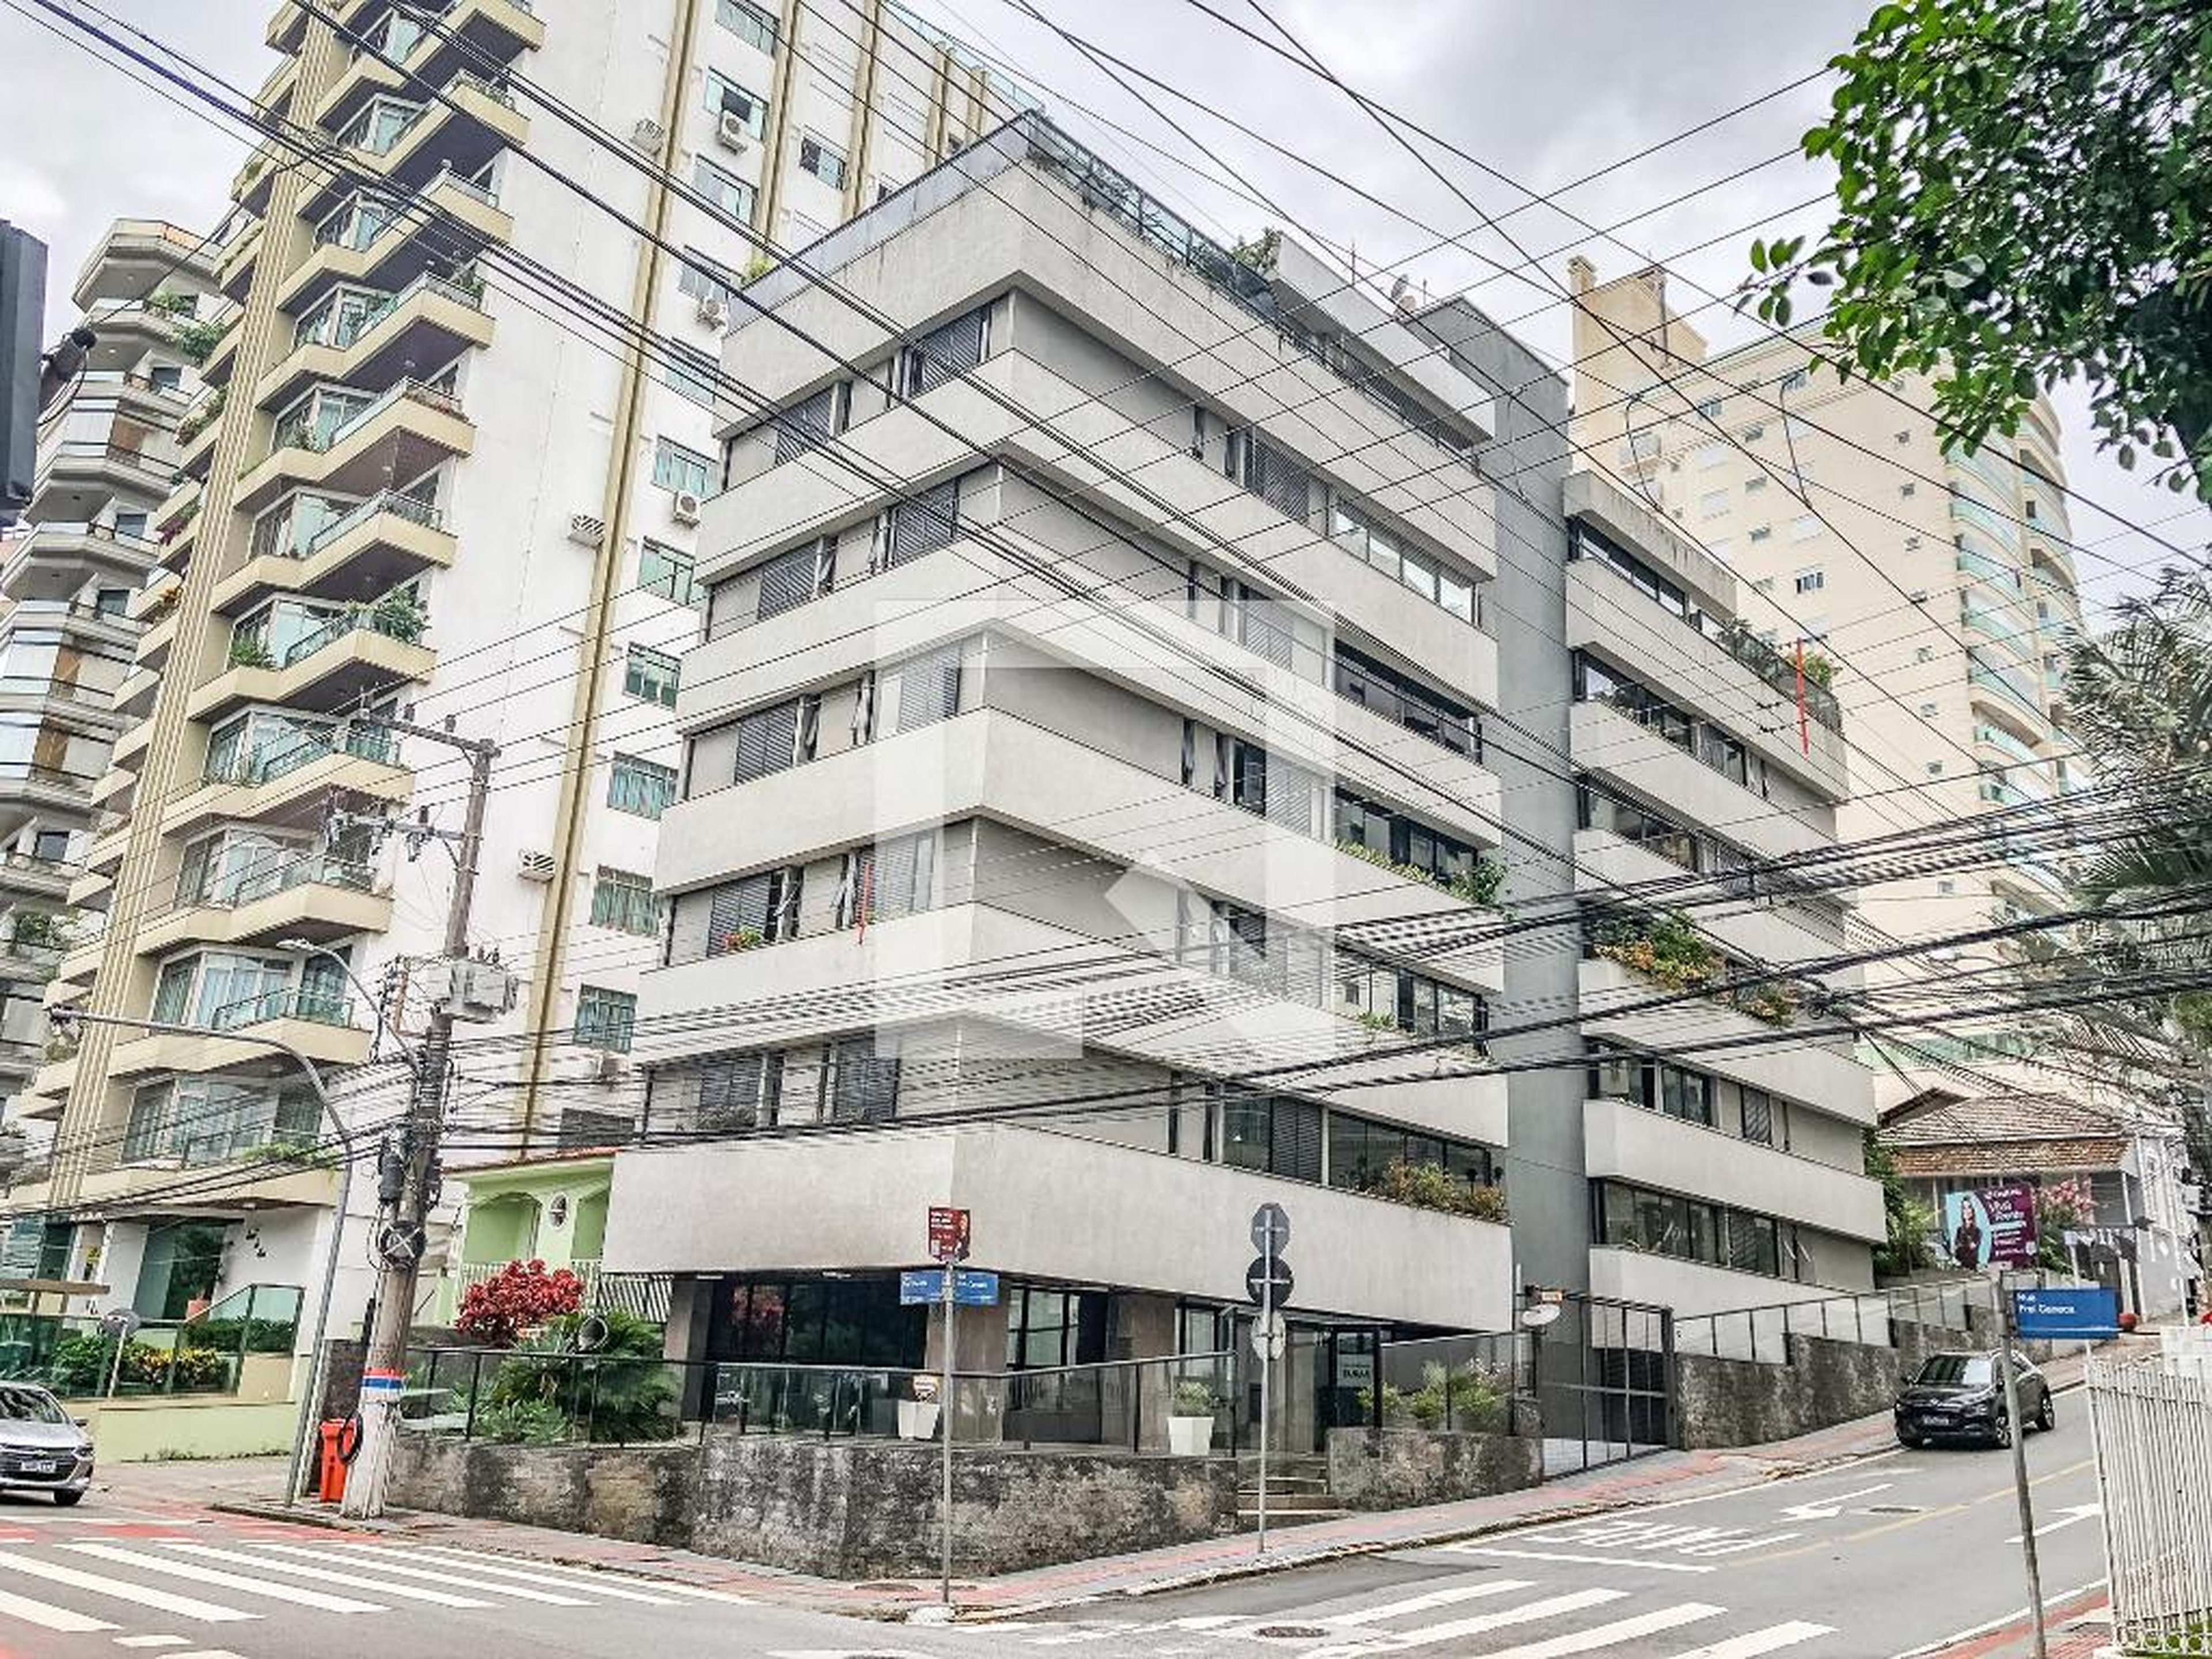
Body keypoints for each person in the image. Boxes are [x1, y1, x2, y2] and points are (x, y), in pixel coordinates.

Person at [1950, 1196, 1984, 1270]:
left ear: (1973, 1210)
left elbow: (1973, 1247)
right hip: (1960, 1268)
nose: (1967, 1211)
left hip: (1972, 1267)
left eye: (1969, 1207)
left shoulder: (1977, 1231)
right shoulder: (1959, 1230)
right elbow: (1956, 1248)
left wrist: (1966, 1240)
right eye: (1964, 1208)